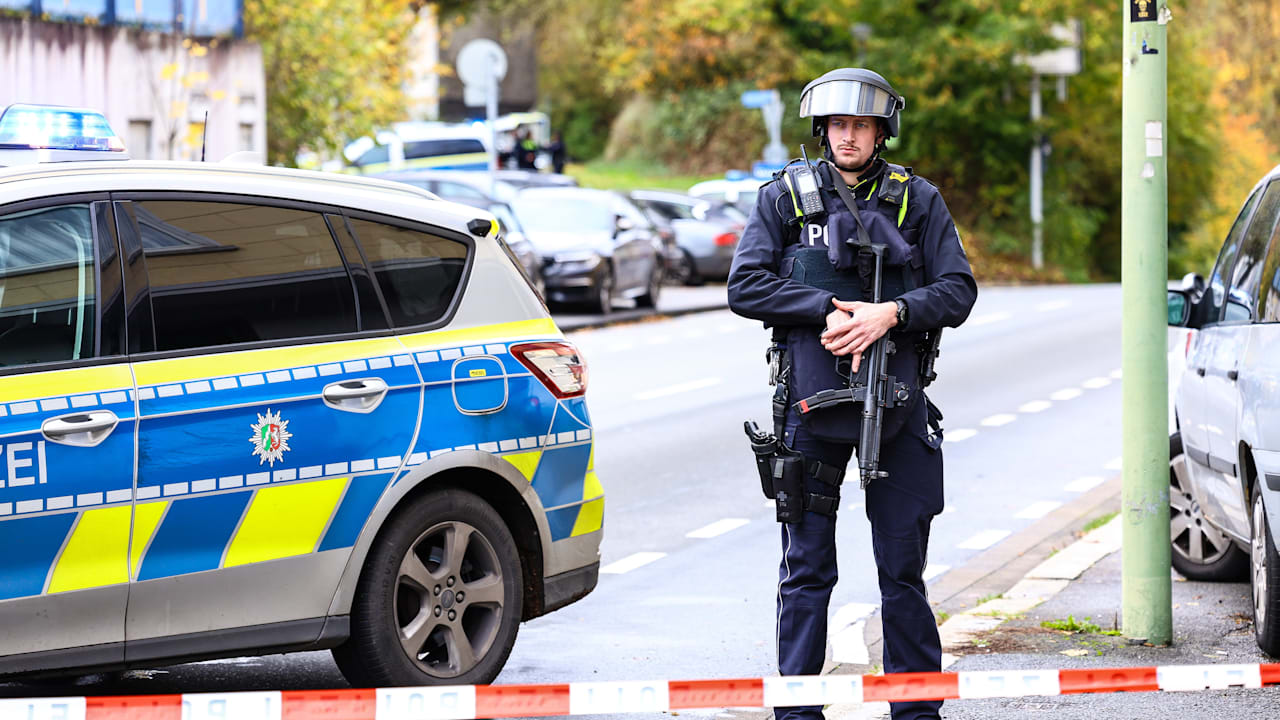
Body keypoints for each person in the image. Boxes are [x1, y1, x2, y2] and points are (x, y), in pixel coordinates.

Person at [727, 68, 977, 720]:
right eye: (837, 124)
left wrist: (890, 313)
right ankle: (797, 714)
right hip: (807, 415)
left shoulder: (916, 201)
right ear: (823, 129)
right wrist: (824, 309)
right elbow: (744, 286)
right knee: (805, 574)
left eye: (859, 125)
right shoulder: (784, 198)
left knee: (902, 573)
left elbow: (958, 291)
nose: (847, 136)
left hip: (896, 409)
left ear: (880, 131)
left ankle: (917, 714)